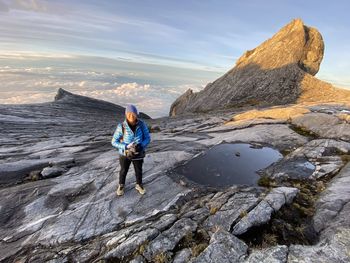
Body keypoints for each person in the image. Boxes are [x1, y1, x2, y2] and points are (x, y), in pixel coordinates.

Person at [111, 104, 151, 196]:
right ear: (126, 114)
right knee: (123, 170)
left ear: (136, 114)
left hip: (138, 152)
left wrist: (141, 146)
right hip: (125, 153)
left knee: (138, 170)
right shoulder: (121, 126)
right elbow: (114, 142)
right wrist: (125, 146)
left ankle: (139, 184)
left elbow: (147, 138)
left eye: (133, 113)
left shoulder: (141, 124)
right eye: (129, 114)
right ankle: (121, 185)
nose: (131, 116)